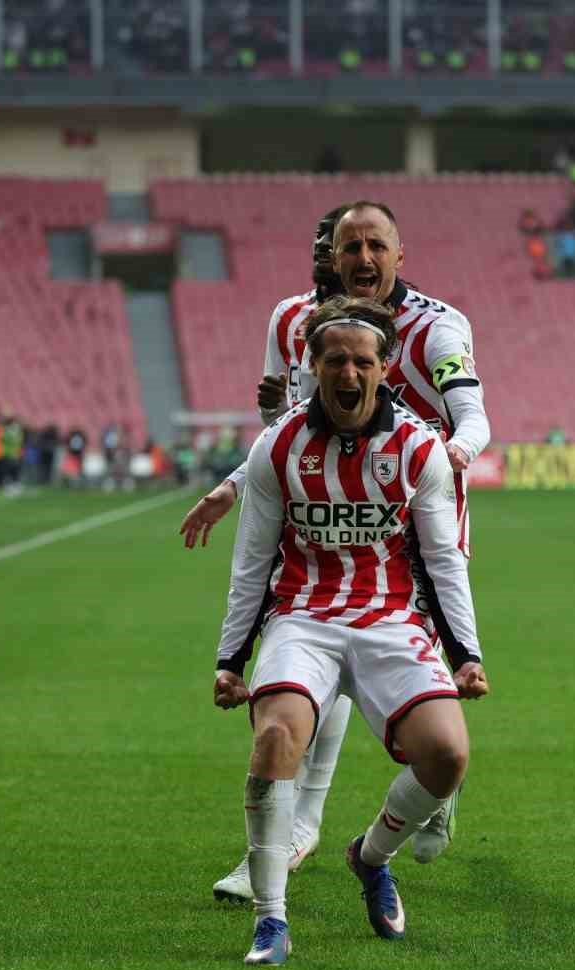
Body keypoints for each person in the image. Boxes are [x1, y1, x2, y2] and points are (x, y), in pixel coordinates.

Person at [184, 199, 493, 903]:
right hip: (326, 526)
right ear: (327, 257)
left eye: (373, 246)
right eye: (344, 247)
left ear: (397, 255)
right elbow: (287, 431)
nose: (358, 260)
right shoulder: (301, 326)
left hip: (410, 526)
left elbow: (473, 416)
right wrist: (236, 487)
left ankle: (426, 790)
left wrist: (442, 456)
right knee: (314, 674)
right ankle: (289, 838)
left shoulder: (437, 328)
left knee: (402, 688)